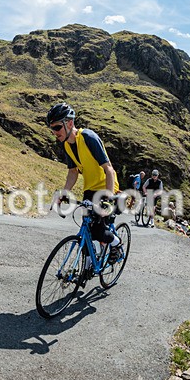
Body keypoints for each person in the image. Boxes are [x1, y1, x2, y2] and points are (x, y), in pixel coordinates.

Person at [48, 102, 123, 264]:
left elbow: (109, 169)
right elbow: (73, 172)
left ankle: (116, 243)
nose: (54, 132)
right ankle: (88, 266)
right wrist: (64, 193)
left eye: (57, 127)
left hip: (106, 186)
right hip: (89, 188)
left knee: (98, 231)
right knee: (86, 229)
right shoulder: (67, 145)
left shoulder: (88, 137)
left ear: (69, 123)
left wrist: (108, 198)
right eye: (52, 128)